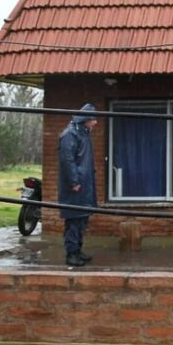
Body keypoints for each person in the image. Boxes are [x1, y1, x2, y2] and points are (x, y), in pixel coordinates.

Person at [58, 103, 98, 267]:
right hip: (76, 186)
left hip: (85, 184)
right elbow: (67, 160)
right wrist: (74, 181)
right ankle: (71, 253)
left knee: (81, 219)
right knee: (73, 220)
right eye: (93, 119)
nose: (95, 123)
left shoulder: (83, 133)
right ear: (85, 119)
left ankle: (78, 250)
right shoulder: (70, 134)